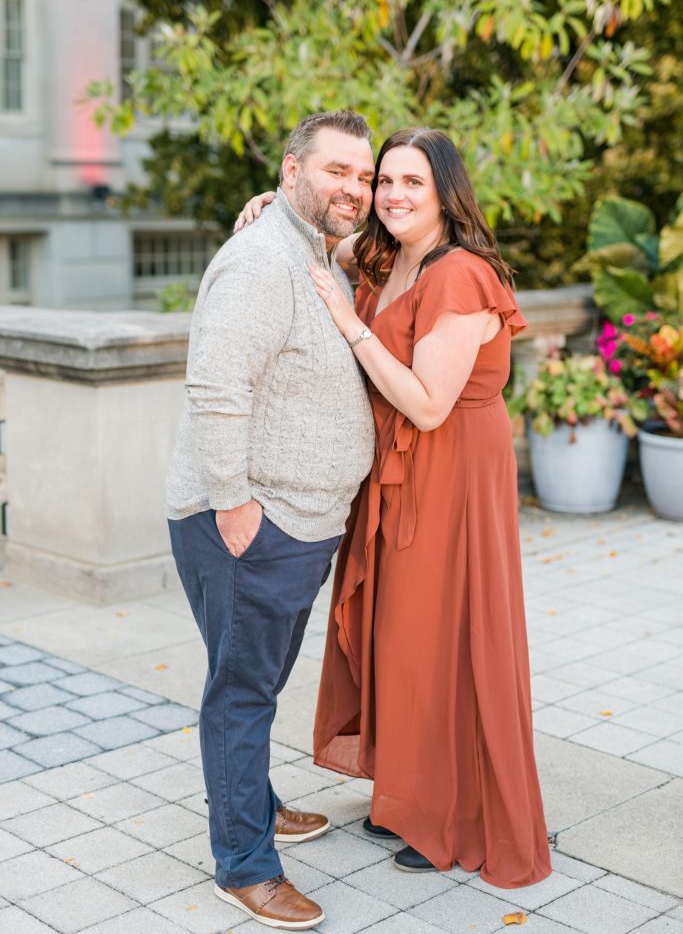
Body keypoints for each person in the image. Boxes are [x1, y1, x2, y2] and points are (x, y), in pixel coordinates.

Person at [237, 127, 551, 889]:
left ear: (445, 192)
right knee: (400, 634)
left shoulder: (461, 273)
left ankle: (453, 810)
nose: (392, 195)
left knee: (443, 635)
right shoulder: (386, 254)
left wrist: (349, 327)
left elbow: (428, 402)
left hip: (451, 470)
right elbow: (321, 235)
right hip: (396, 471)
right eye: (384, 181)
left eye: (413, 182)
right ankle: (409, 793)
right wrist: (274, 202)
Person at [166, 110, 377, 930]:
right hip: (252, 522)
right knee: (243, 693)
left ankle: (252, 801)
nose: (354, 188)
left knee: (256, 682)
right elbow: (217, 387)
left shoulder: (313, 248)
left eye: (362, 175)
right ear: (292, 171)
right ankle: (245, 864)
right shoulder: (262, 261)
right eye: (336, 171)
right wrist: (234, 505)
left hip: (297, 521)